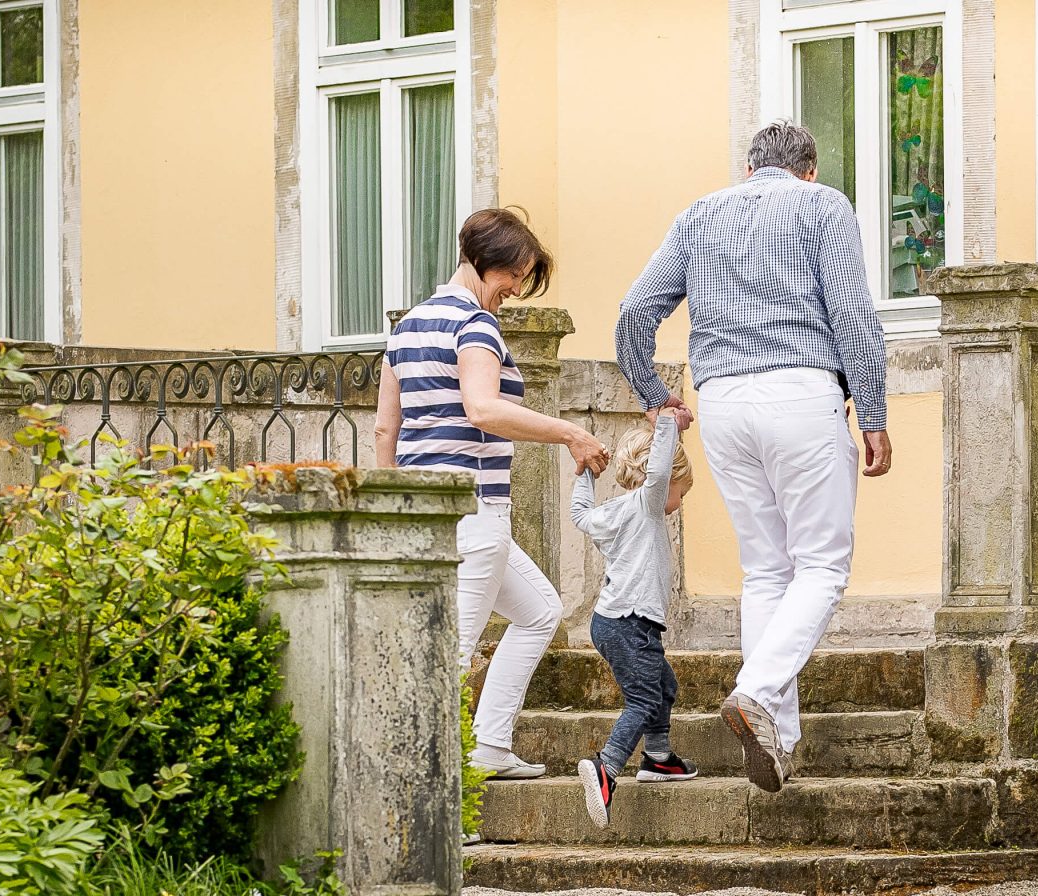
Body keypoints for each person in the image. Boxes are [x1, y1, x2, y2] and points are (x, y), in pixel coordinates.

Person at [613, 121, 893, 794]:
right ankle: (757, 692)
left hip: (724, 405)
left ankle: (780, 740)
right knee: (823, 565)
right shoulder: (822, 205)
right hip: (800, 390)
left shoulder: (697, 215)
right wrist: (875, 413)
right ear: (810, 170)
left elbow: (632, 314)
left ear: (746, 169)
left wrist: (656, 398)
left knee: (767, 570)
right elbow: (854, 315)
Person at [374, 207, 610, 782]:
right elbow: (483, 408)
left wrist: (397, 508)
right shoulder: (475, 325)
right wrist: (570, 432)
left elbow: (385, 429)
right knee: (449, 654)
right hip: (476, 512)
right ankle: (428, 793)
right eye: (515, 277)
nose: (516, 292)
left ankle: (490, 747)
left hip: (429, 513)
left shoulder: (406, 328)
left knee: (540, 612)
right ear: (485, 263)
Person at [570, 413, 702, 828]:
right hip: (631, 624)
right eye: (680, 489)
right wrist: (669, 426)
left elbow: (579, 514)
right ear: (665, 481)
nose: (679, 498)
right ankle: (606, 768)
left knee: (664, 684)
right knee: (644, 700)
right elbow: (659, 469)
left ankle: (659, 758)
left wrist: (585, 474)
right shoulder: (647, 505)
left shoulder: (613, 512)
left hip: (609, 623)